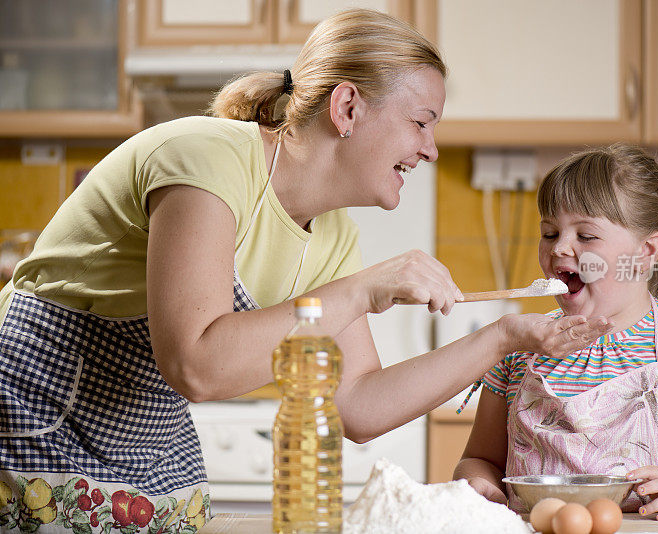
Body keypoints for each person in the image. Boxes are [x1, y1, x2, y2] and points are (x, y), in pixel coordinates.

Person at [0, 9, 612, 533]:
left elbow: (360, 408)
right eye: (421, 121)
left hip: (144, 445)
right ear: (347, 106)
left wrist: (501, 337)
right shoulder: (209, 160)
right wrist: (363, 290)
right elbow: (196, 364)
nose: (430, 148)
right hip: (44, 420)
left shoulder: (333, 237)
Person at [454, 144, 658, 520]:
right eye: (549, 233)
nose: (560, 247)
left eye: (586, 235)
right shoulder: (518, 349)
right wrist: (478, 484)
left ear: (646, 252)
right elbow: (480, 459)